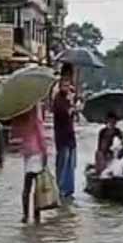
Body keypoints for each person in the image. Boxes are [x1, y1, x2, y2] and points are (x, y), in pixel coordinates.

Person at [12, 103, 48, 223]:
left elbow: (17, 134)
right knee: (37, 186)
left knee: (27, 185)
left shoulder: (21, 118)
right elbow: (41, 136)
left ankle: (25, 215)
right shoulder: (36, 119)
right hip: (36, 152)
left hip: (27, 153)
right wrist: (45, 152)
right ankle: (37, 214)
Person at [53, 64, 78, 201]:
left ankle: (69, 192)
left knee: (71, 166)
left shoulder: (69, 98)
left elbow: (72, 116)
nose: (67, 86)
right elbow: (64, 114)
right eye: (64, 84)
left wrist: (74, 105)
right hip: (62, 138)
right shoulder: (58, 99)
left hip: (70, 137)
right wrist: (71, 105)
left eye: (68, 84)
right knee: (62, 165)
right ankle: (60, 191)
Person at [94, 111, 123, 176]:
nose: (112, 123)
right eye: (110, 121)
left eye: (114, 121)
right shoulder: (103, 132)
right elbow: (100, 146)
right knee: (99, 154)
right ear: (107, 121)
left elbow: (122, 145)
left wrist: (121, 151)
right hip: (105, 154)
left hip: (115, 153)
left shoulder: (117, 131)